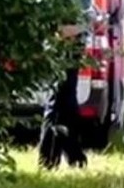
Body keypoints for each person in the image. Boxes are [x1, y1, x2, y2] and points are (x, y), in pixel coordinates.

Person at [37, 21, 89, 170]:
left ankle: (73, 156)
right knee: (57, 105)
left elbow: (88, 16)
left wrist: (82, 28)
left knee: (69, 104)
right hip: (58, 48)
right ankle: (50, 159)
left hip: (73, 46)